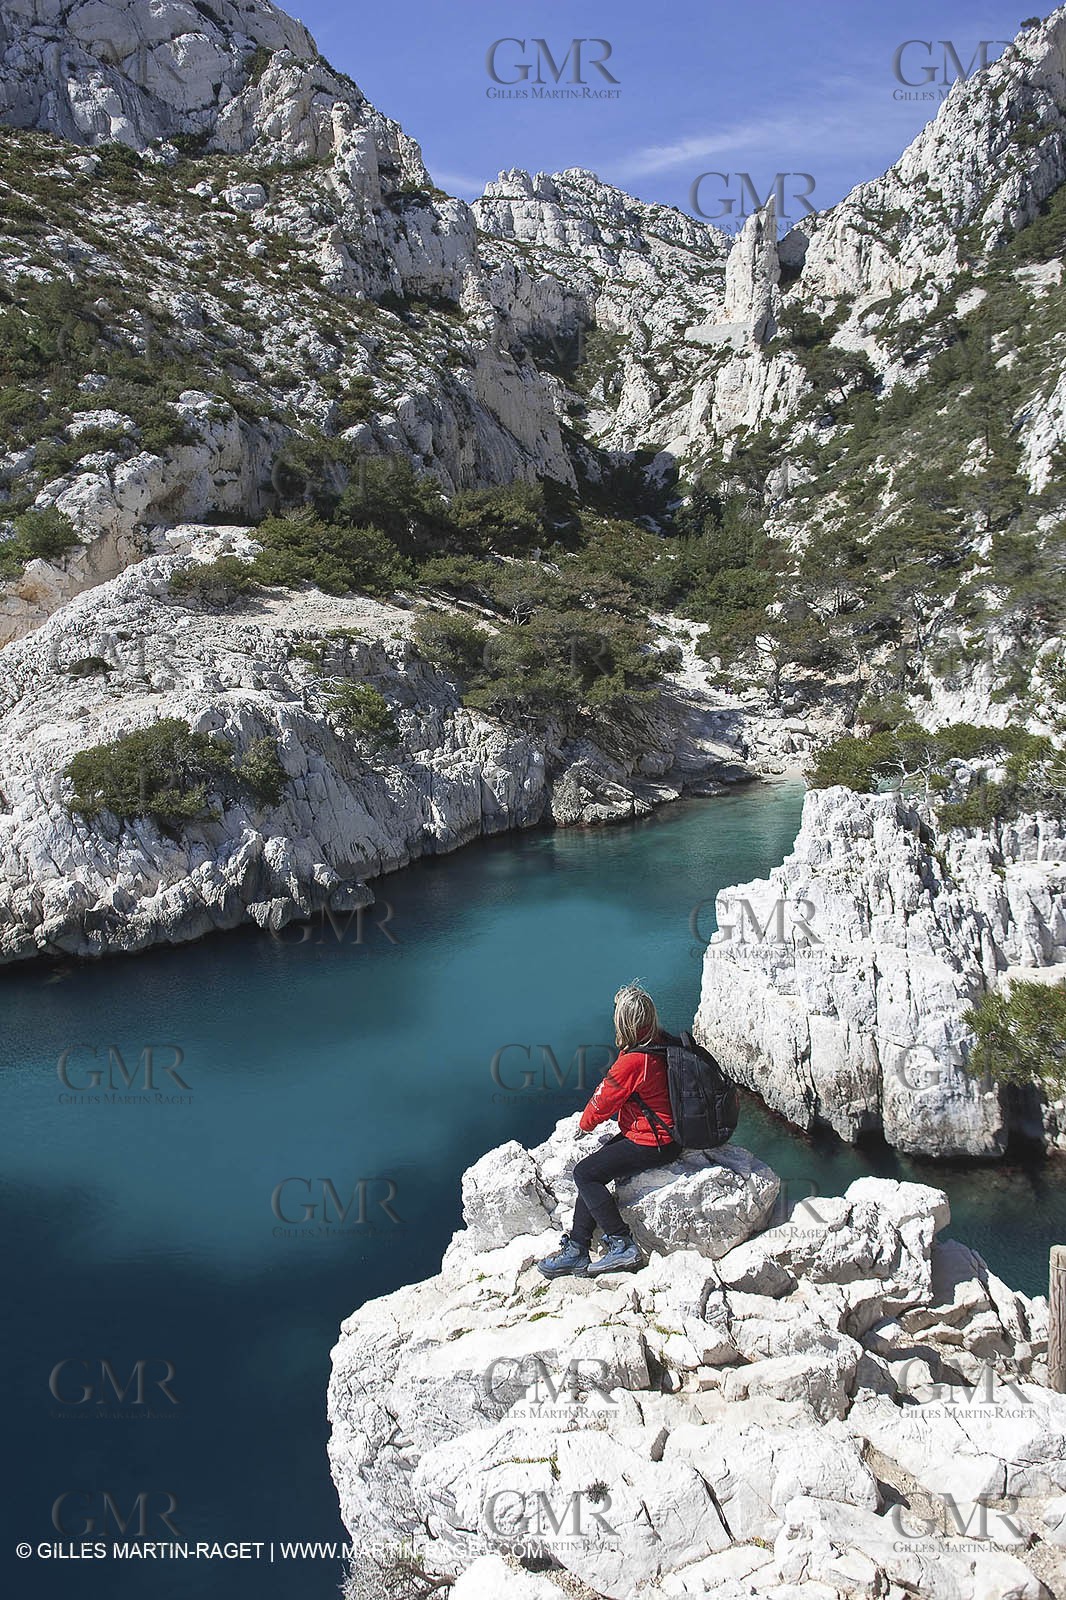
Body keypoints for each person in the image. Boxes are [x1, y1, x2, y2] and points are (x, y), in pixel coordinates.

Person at [538, 983, 681, 1279]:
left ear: (624, 1023)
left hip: (653, 1141)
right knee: (594, 1169)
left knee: (584, 1173)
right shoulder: (663, 1043)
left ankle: (621, 1243)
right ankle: (577, 1247)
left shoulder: (632, 1062)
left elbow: (603, 1101)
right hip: (667, 1134)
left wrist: (583, 1125)